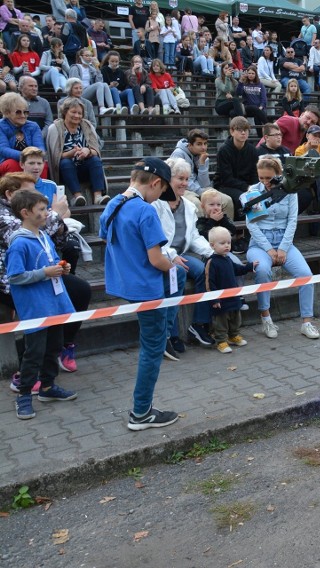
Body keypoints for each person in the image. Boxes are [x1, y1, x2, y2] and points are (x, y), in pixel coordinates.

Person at [99, 157, 182, 430]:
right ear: (156, 183)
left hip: (125, 283)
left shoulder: (113, 203)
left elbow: (105, 236)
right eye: (161, 192)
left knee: (152, 341)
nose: (159, 197)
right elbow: (157, 259)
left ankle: (142, 409)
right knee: (152, 349)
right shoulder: (145, 211)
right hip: (147, 289)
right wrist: (171, 265)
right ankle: (141, 412)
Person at [7, 187, 77, 419]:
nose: (47, 212)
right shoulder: (19, 243)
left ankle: (47, 387)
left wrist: (61, 267)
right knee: (34, 352)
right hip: (36, 306)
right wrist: (44, 273)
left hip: (53, 303)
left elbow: (52, 260)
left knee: (54, 346)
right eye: (41, 209)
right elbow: (15, 277)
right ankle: (24, 395)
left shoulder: (42, 235)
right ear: (25, 212)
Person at [243, 155, 319, 340]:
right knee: (262, 271)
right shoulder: (253, 191)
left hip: (284, 240)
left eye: (268, 178)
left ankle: (307, 322)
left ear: (279, 174)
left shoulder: (290, 191)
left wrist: (283, 248)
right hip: (261, 243)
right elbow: (252, 225)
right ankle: (266, 318)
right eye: (261, 177)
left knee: (306, 275)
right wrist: (269, 249)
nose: (265, 182)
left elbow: (293, 220)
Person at [153, 157, 215, 355]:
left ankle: (199, 324)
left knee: (208, 268)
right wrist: (171, 255)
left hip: (184, 253)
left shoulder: (188, 205)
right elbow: (156, 238)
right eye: (180, 178)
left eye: (187, 179)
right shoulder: (155, 205)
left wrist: (211, 252)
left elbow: (194, 236)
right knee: (176, 274)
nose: (185, 183)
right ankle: (171, 334)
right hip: (163, 255)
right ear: (167, 179)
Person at [44, 98, 107, 206]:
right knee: (66, 162)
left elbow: (96, 150)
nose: (77, 116)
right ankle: (77, 196)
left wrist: (87, 151)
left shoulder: (87, 126)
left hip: (84, 168)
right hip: (64, 171)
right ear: (65, 112)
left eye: (79, 113)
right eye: (73, 112)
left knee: (95, 160)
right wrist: (72, 152)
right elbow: (55, 157)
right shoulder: (55, 128)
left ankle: (98, 196)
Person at [204, 226, 255, 353]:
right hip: (220, 300)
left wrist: (249, 266)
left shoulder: (227, 259)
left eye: (228, 242)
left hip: (233, 297)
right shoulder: (212, 262)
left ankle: (234, 335)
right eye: (222, 243)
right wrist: (214, 299)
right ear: (212, 245)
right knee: (221, 322)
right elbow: (209, 283)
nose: (227, 246)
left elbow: (238, 269)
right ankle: (221, 341)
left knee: (235, 318)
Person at [215, 116, 258, 215]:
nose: (243, 133)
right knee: (243, 198)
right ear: (232, 131)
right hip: (225, 185)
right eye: (239, 130)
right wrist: (247, 187)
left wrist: (254, 188)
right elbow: (227, 178)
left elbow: (254, 173)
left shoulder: (252, 150)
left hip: (247, 186)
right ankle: (240, 228)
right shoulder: (224, 150)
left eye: (246, 130)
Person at [0, 92, 46, 176]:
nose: (23, 115)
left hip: (31, 160)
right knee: (12, 164)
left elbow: (40, 147)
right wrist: (27, 156)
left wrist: (34, 158)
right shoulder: (0, 126)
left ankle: (40, 188)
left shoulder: (33, 126)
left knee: (41, 164)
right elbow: (3, 149)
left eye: (25, 112)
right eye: (18, 112)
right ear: (7, 113)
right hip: (7, 161)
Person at [101, 51, 139, 115]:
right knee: (114, 89)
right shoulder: (103, 70)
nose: (114, 63)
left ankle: (132, 108)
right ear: (108, 61)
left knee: (129, 90)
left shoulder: (120, 71)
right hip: (108, 94)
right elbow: (102, 84)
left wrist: (119, 86)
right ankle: (120, 109)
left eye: (116, 62)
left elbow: (125, 84)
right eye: (112, 61)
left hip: (119, 93)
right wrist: (110, 85)